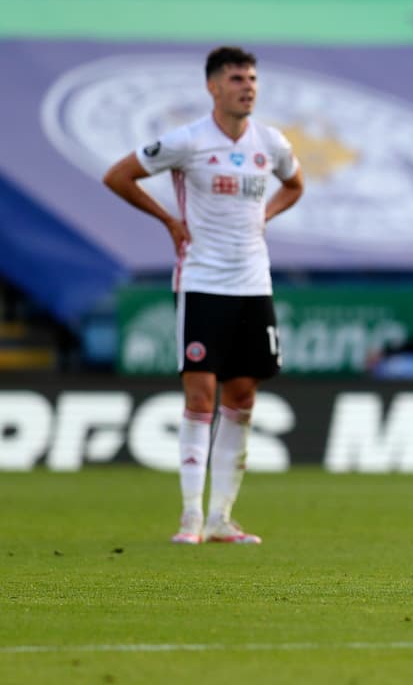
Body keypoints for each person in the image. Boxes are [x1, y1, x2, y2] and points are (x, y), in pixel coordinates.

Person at [102, 46, 304, 544]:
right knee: (200, 394)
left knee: (243, 397)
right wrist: (169, 220)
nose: (248, 86)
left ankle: (221, 518)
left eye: (252, 78)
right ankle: (190, 515)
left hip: (254, 283)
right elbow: (117, 175)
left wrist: (266, 215)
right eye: (237, 79)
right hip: (202, 281)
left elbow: (295, 184)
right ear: (213, 87)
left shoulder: (270, 143)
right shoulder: (188, 142)